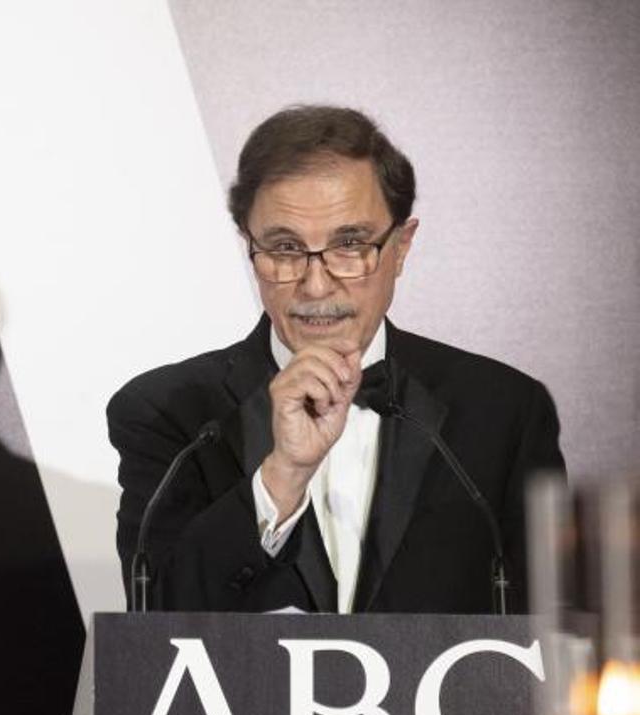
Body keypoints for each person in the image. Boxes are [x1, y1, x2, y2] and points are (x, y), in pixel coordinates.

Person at [108, 105, 564, 614]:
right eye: (285, 247)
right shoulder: (167, 412)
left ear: (402, 245)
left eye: (350, 244)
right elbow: (154, 622)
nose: (317, 284)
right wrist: (281, 474)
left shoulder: (504, 411)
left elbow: (544, 629)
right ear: (249, 248)